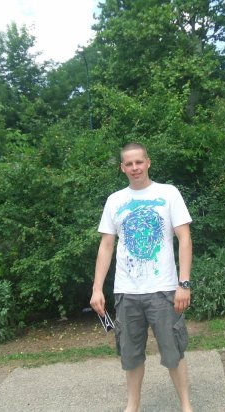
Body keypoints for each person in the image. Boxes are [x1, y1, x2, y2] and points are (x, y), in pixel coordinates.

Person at [90, 142, 193, 412]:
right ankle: (132, 406)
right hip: (127, 292)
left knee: (173, 352)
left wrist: (184, 283)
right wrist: (97, 288)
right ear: (122, 168)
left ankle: (186, 406)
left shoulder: (168, 193)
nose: (135, 167)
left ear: (148, 162)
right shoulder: (114, 200)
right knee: (131, 355)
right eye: (129, 163)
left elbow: (184, 238)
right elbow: (106, 246)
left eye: (139, 162)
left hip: (164, 290)